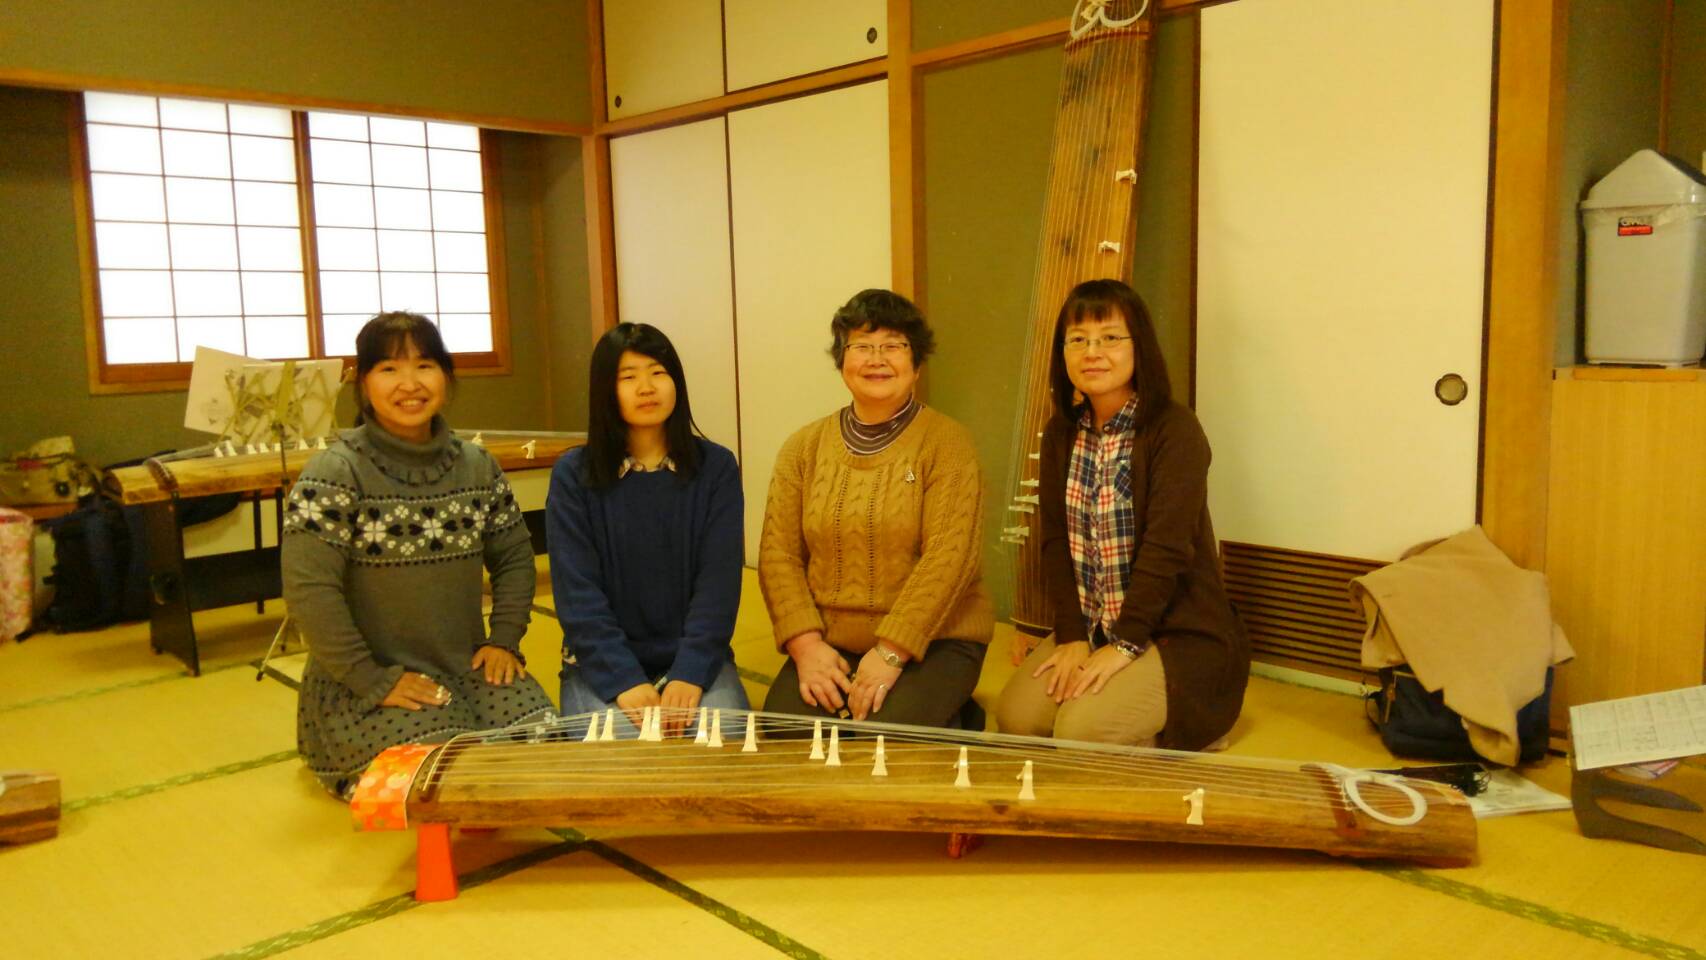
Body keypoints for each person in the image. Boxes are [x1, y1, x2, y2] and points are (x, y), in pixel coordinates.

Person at [285, 312, 555, 798]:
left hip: (465, 666)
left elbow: (515, 557)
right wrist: (371, 679)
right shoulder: (335, 472)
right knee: (441, 781)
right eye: (389, 368)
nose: (409, 383)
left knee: (544, 745)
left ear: (446, 377)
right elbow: (311, 593)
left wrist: (504, 639)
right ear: (363, 384)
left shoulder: (476, 465)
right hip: (365, 683)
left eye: (424, 365)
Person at [996, 280, 1249, 750]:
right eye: (1078, 339)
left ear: (1140, 347)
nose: (1093, 352)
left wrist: (1125, 645)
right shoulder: (1062, 433)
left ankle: (1200, 722)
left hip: (1174, 631)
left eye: (1110, 337)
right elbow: (1054, 541)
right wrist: (1072, 636)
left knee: (1080, 733)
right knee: (1017, 720)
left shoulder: (1174, 429)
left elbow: (1167, 550)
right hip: (1094, 624)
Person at [760, 289, 993, 729]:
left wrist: (891, 652)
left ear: (916, 363)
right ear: (841, 360)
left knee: (882, 742)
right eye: (862, 346)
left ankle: (954, 711)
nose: (876, 359)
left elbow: (949, 559)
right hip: (830, 641)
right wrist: (805, 646)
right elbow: (778, 555)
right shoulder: (803, 448)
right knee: (786, 736)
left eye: (893, 346)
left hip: (936, 638)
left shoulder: (948, 444)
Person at [549, 323, 745, 737]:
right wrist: (623, 679)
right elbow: (576, 592)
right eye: (628, 377)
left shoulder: (716, 468)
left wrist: (691, 671)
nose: (646, 387)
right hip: (600, 664)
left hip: (694, 659)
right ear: (605, 389)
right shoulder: (574, 474)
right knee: (620, 756)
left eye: (658, 372)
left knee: (723, 742)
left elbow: (719, 584)